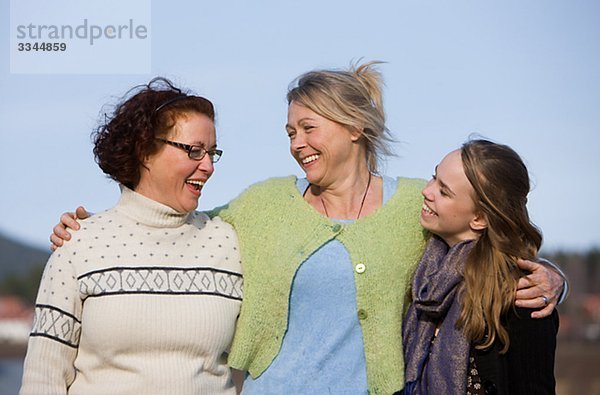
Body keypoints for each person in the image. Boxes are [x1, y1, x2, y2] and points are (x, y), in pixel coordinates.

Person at [49, 62, 565, 394]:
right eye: (290, 131)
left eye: (309, 128)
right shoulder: (265, 203)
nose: (297, 143)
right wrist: (96, 226)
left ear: (355, 127)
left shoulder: (419, 204)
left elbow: (487, 237)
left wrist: (551, 277)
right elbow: (179, 225)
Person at [21, 78, 243, 394]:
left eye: (212, 152)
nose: (208, 166)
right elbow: (43, 379)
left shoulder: (229, 242)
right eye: (194, 151)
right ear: (144, 150)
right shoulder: (79, 243)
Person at [403, 140, 558, 394]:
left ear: (480, 218)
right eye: (433, 177)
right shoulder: (426, 273)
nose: (427, 191)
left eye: (444, 191)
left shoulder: (520, 297)